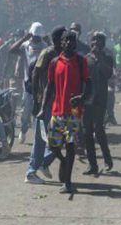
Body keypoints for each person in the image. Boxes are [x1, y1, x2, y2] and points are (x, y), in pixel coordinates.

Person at [39, 31, 91, 194]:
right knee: (53, 145)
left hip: (74, 111)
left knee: (70, 145)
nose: (69, 43)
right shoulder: (55, 62)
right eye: (65, 40)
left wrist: (82, 97)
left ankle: (67, 182)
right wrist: (42, 108)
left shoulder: (81, 61)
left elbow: (89, 84)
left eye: (71, 40)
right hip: (57, 110)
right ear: (61, 43)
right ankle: (63, 161)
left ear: (75, 43)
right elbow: (49, 87)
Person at [23, 25, 66, 184]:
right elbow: (35, 74)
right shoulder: (47, 53)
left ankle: (44, 162)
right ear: (57, 40)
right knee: (41, 138)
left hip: (59, 102)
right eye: (64, 38)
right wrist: (36, 100)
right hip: (45, 102)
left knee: (61, 137)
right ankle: (31, 172)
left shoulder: (64, 54)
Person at [9, 22, 48, 144]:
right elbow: (12, 50)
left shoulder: (45, 46)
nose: (36, 39)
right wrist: (24, 39)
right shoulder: (26, 45)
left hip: (42, 84)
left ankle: (41, 136)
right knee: (26, 110)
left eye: (38, 37)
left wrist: (49, 41)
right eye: (34, 36)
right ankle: (23, 130)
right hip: (28, 83)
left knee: (41, 110)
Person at [83, 32, 114, 175]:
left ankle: (107, 160)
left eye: (98, 41)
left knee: (99, 129)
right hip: (87, 99)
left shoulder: (107, 58)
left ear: (103, 44)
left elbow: (108, 73)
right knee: (87, 131)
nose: (95, 44)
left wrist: (99, 59)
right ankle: (92, 165)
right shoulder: (85, 59)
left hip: (100, 99)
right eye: (93, 41)